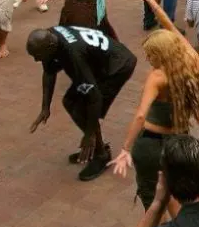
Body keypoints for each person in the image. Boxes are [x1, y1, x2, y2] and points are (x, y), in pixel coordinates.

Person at [110, 0, 199, 212]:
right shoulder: (192, 62)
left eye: (151, 55)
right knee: (176, 194)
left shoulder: (157, 77)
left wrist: (125, 148)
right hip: (180, 142)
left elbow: (140, 115)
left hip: (152, 145)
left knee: (152, 200)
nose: (148, 59)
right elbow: (171, 28)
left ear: (161, 55)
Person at [27, 25, 136, 181]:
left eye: (38, 55)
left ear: (50, 47)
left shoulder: (72, 54)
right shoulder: (50, 38)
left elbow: (94, 98)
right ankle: (96, 146)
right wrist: (45, 108)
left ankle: (101, 154)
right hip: (98, 62)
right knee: (70, 101)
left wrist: (89, 134)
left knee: (83, 106)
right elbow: (49, 72)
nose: (36, 59)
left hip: (117, 66)